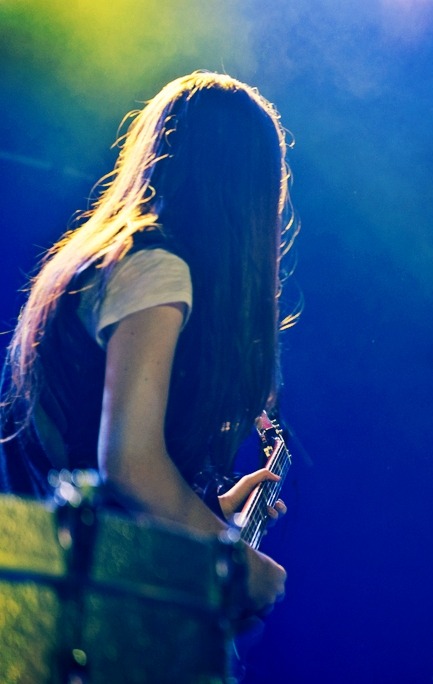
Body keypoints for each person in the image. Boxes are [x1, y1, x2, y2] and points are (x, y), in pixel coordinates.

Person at [0, 71, 293, 618]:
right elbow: (129, 462)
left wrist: (205, 507)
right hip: (71, 608)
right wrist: (232, 557)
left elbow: (93, 454)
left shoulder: (112, 253)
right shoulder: (157, 268)